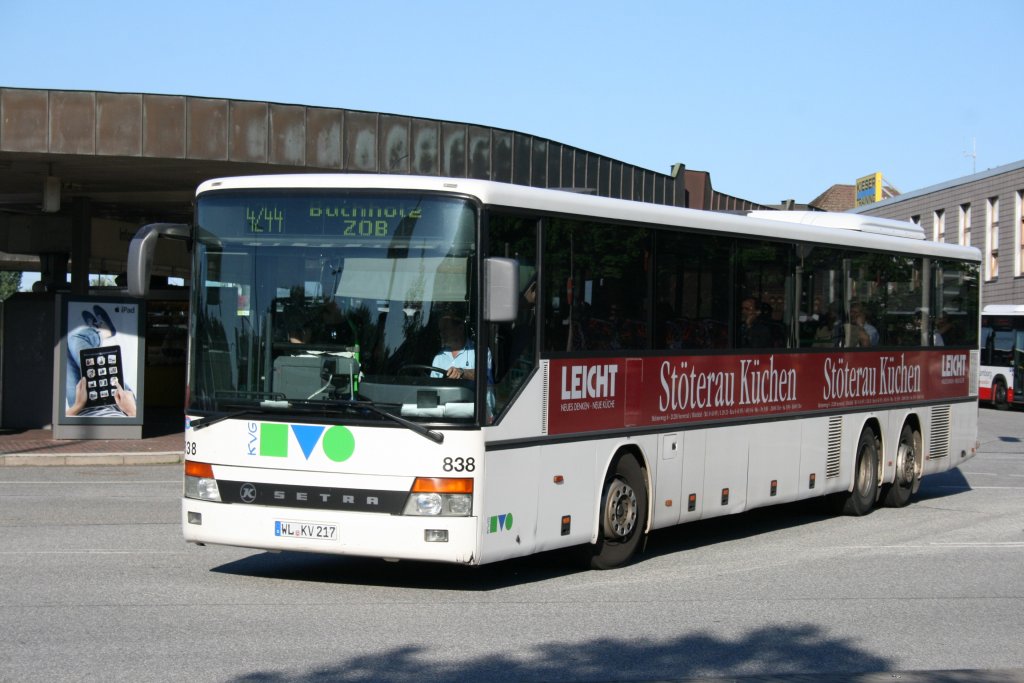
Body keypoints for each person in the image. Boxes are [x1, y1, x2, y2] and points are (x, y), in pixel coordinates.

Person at [65, 304, 137, 417]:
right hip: (118, 405)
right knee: (75, 338)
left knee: (66, 348)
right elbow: (136, 425)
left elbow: (64, 421)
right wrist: (132, 411)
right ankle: (102, 332)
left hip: (81, 410)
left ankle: (99, 332)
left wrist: (78, 405)